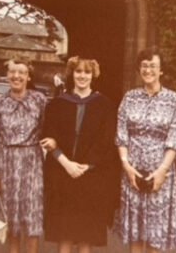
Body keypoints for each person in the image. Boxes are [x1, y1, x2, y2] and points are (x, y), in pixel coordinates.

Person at [114, 47, 176, 253]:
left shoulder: (173, 100)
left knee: (155, 233)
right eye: (144, 66)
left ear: (161, 70)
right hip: (133, 172)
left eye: (153, 66)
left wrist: (162, 171)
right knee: (136, 233)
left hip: (161, 174)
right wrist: (126, 166)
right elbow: (121, 135)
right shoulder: (129, 98)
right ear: (139, 69)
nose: (148, 70)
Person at [40, 56, 120, 253]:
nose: (82, 76)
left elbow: (106, 141)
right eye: (78, 71)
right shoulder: (57, 104)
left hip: (91, 176)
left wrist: (88, 165)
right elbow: (48, 136)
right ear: (72, 74)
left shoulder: (105, 106)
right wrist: (66, 163)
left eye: (87, 72)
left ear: (93, 75)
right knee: (64, 233)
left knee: (87, 235)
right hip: (62, 173)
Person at [0, 57, 47, 253]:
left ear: (28, 76)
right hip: (6, 164)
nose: (16, 76)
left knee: (31, 218)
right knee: (10, 220)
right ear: (7, 75)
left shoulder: (39, 100)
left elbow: (48, 129)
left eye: (21, 72)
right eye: (12, 72)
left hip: (32, 163)